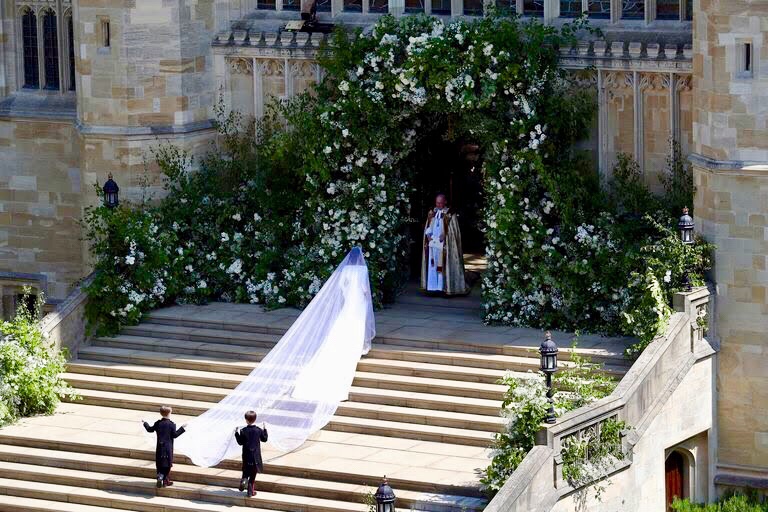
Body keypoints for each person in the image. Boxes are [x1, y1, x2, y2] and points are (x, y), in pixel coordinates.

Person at [421, 193, 468, 295]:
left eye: (441, 203)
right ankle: (433, 287)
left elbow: (453, 232)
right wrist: (428, 235)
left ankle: (444, 287)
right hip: (433, 244)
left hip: (444, 245)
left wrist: (446, 235)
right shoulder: (431, 213)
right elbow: (428, 226)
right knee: (433, 265)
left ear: (445, 202)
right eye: (437, 203)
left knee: (442, 264)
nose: (438, 205)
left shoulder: (450, 214)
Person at [142, 406, 186, 488]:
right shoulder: (172, 425)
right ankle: (165, 480)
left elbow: (149, 429)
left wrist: (145, 423)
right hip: (168, 448)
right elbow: (175, 435)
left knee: (160, 463)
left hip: (160, 447)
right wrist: (182, 428)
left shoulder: (158, 423)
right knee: (167, 464)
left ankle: (160, 476)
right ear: (169, 413)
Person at [235, 411, 269, 497]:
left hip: (246, 456)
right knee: (253, 475)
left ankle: (243, 480)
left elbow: (240, 442)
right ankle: (250, 492)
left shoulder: (243, 431)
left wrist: (236, 433)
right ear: (255, 419)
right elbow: (264, 439)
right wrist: (265, 429)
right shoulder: (258, 430)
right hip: (255, 457)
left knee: (246, 471)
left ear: (246, 420)